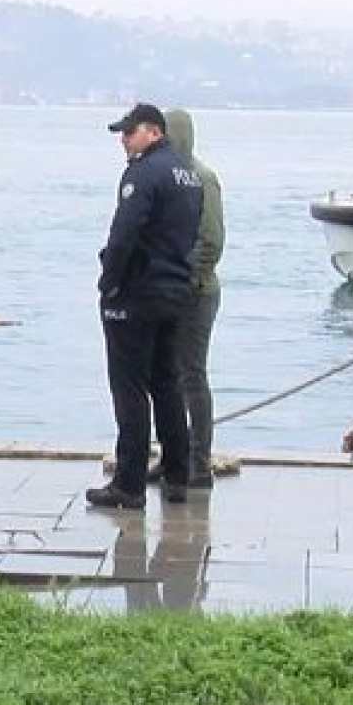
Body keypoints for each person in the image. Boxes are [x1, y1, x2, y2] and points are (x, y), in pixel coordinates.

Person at [87, 103, 202, 510]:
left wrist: (109, 282)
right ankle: (177, 475)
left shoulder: (142, 173)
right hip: (175, 290)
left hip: (137, 293)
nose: (123, 139)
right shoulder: (190, 176)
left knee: (130, 388)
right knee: (167, 385)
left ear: (153, 131)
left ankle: (129, 484)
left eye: (129, 132)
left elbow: (125, 233)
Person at [162, 109, 225, 501]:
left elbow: (213, 240)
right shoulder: (169, 179)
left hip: (197, 293)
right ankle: (175, 457)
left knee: (192, 376)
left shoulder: (202, 178)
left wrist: (190, 277)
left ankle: (199, 462)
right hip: (170, 291)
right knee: (168, 378)